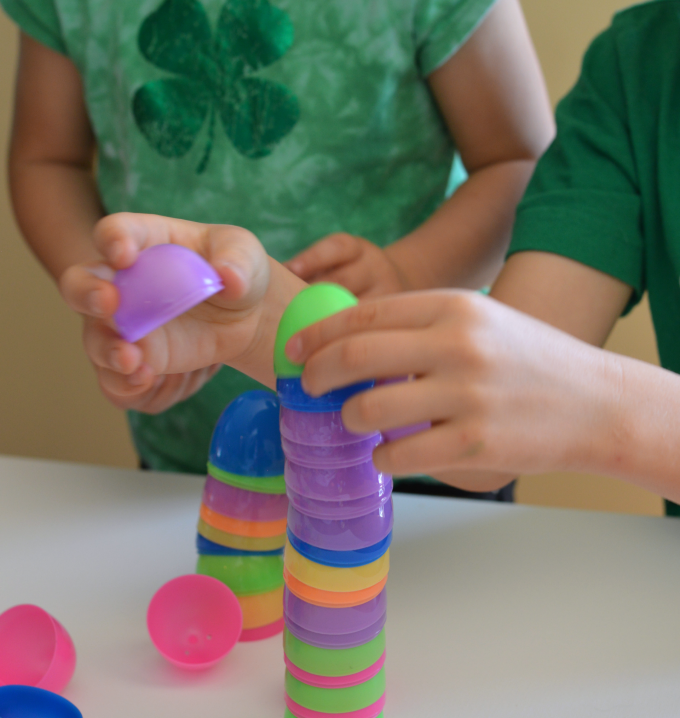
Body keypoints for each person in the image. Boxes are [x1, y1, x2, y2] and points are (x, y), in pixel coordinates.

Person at [57, 1, 680, 515]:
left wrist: (612, 412)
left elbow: (542, 403)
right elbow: (482, 432)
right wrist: (258, 322)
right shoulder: (639, 67)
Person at [3, 0, 554, 486]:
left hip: (413, 446)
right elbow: (47, 160)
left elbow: (523, 164)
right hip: (195, 447)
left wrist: (407, 271)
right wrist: (113, 296)